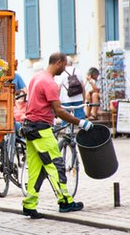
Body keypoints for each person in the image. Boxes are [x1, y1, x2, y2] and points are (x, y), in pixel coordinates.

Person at [21, 52, 93, 219]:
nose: (65, 69)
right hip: (41, 130)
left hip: (30, 128)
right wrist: (81, 122)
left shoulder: (37, 77)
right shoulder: (50, 83)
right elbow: (59, 111)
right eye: (65, 65)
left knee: (36, 169)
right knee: (56, 165)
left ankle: (29, 205)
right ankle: (65, 202)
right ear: (59, 63)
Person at [55, 56, 85, 122]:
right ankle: (82, 130)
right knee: (80, 118)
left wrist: (57, 100)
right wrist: (83, 99)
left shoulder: (62, 72)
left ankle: (67, 130)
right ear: (72, 63)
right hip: (78, 98)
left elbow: (58, 88)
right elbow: (82, 86)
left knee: (65, 117)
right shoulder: (78, 71)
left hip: (65, 99)